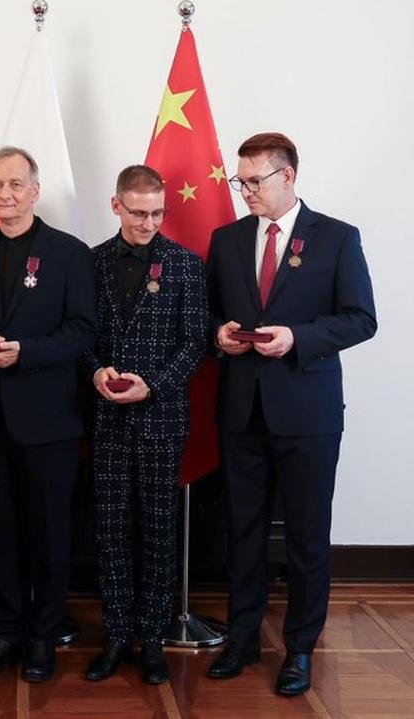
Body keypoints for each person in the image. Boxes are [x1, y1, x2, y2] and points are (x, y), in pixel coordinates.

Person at [205, 133, 376, 696]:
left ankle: (300, 647)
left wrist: (297, 337)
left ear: (289, 176)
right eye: (241, 180)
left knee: (306, 536)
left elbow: (359, 319)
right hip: (241, 409)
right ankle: (242, 638)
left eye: (255, 181)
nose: (246, 190)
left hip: (308, 412)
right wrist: (221, 336)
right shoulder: (226, 239)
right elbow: (211, 317)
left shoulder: (336, 238)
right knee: (244, 532)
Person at [0, 146, 96, 682]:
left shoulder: (69, 253)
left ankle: (43, 635)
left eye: (16, 184)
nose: (5, 194)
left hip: (48, 418)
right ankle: (4, 631)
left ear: (36, 191)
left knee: (49, 533)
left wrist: (28, 352)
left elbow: (85, 330)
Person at [80, 165, 207, 685]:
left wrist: (152, 385)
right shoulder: (88, 264)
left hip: (161, 419)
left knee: (158, 531)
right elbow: (79, 334)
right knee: (110, 532)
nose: (148, 222)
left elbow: (196, 343)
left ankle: (152, 640)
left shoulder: (186, 265)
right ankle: (115, 636)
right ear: (116, 207)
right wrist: (95, 370)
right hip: (107, 420)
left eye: (157, 212)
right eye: (138, 212)